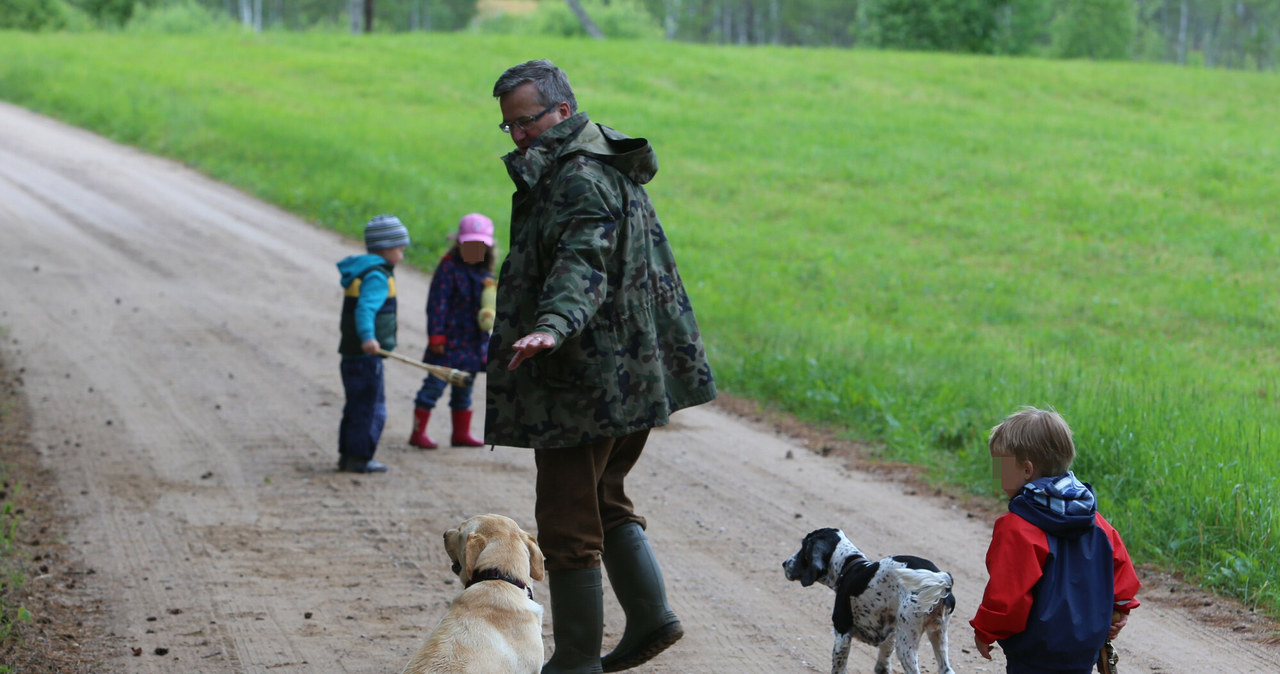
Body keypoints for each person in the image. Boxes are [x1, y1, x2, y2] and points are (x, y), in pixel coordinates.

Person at [487, 59, 717, 674]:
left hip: (583, 381)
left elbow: (581, 260)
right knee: (604, 496)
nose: (518, 136)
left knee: (566, 524)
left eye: (526, 122)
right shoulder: (600, 162)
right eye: (508, 127)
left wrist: (550, 327)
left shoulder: (580, 177)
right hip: (628, 375)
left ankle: (576, 662)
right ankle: (650, 616)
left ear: (562, 110)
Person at [972, 406, 1141, 674]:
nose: (997, 475)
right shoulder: (1095, 521)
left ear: (1026, 470)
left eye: (1000, 466)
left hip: (1035, 652)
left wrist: (985, 630)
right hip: (1084, 648)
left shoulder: (1017, 527)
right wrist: (1119, 611)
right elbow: (1121, 571)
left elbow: (1007, 595)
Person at [408, 213, 497, 449]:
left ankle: (461, 433)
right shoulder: (448, 268)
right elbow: (437, 303)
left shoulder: (484, 274)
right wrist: (436, 335)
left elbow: (489, 306)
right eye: (470, 245)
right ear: (459, 243)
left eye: (480, 246)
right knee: (434, 384)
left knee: (464, 385)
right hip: (448, 340)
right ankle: (418, 431)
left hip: (471, 341)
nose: (475, 250)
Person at [336, 214, 410, 474]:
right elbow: (365, 309)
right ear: (387, 248)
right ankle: (359, 458)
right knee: (370, 408)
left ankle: (349, 456)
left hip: (352, 355)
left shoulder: (364, 270)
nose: (402, 256)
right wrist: (369, 338)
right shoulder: (377, 276)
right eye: (400, 250)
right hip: (366, 356)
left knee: (356, 405)